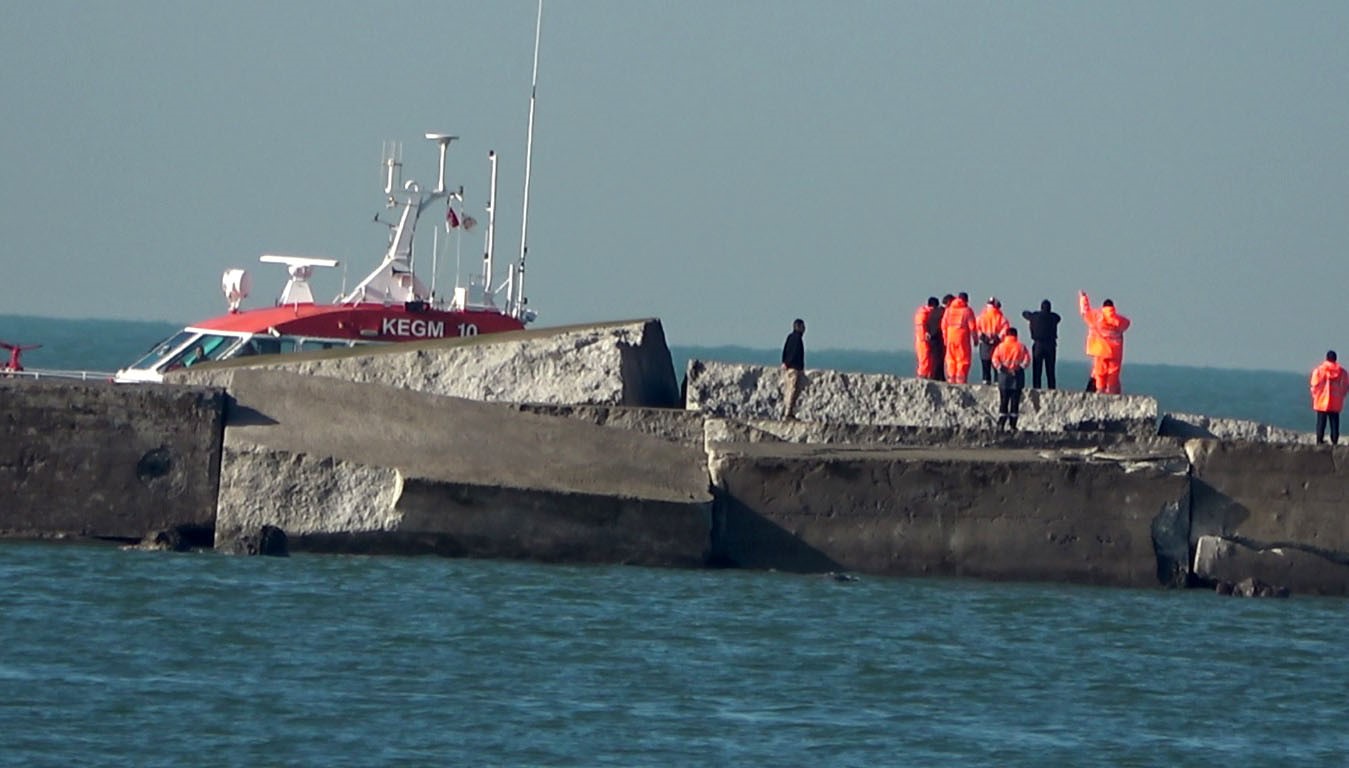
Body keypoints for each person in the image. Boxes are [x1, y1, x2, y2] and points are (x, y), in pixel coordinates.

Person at [1078, 291, 1131, 394]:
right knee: (1113, 374)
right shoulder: (1120, 320)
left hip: (1101, 350)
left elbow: (1085, 312)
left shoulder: (1096, 317)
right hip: (1115, 352)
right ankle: (1111, 392)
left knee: (1100, 373)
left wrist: (1083, 298)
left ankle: (1100, 391)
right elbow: (1127, 324)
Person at [991, 327, 1031, 431]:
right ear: (1016, 336)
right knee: (1015, 402)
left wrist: (1002, 368)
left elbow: (994, 359)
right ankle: (1013, 425)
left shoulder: (1000, 347)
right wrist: (1019, 368)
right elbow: (1027, 360)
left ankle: (1001, 423)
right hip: (1017, 377)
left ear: (1006, 335)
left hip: (1004, 377)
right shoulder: (1021, 347)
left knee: (1003, 400)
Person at [1310, 350, 1349, 445]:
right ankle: (1334, 441)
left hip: (1321, 401)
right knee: (1335, 423)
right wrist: (1341, 396)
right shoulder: (1342, 372)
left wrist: (1315, 395)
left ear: (1326, 358)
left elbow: (1314, 385)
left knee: (1321, 423)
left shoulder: (1319, 370)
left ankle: (1319, 441)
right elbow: (1345, 387)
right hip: (1335, 402)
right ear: (1335, 359)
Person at [1021, 299, 1061, 389]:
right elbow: (1059, 318)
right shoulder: (1053, 317)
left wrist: (1033, 315)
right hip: (1051, 345)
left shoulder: (1035, 316)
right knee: (1050, 369)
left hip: (1038, 344)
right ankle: (1051, 387)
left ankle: (1036, 387)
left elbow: (1025, 314)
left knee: (1037, 369)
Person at [942, 292, 977, 384]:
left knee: (950, 359)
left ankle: (951, 378)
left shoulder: (948, 310)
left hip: (950, 338)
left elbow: (943, 325)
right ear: (966, 300)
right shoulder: (967, 310)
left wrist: (945, 338)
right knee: (963, 359)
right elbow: (972, 327)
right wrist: (975, 339)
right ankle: (960, 379)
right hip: (962, 339)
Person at [976, 297, 1010, 385]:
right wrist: (998, 338)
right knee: (996, 363)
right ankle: (997, 381)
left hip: (984, 343)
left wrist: (983, 337)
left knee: (985, 363)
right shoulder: (1001, 317)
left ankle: (985, 381)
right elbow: (1005, 329)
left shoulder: (981, 316)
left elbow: (976, 328)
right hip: (997, 343)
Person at [781, 318, 806, 419]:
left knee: (788, 390)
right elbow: (795, 353)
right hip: (793, 368)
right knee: (792, 390)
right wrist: (792, 364)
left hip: (788, 367)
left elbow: (785, 351)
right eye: (803, 327)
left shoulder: (790, 337)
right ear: (799, 327)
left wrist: (784, 362)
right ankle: (788, 413)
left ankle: (787, 411)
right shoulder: (797, 339)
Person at [927, 295, 951, 382]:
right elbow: (941, 326)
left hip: (932, 338)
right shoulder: (944, 312)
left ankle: (940, 376)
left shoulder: (934, 312)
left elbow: (928, 323)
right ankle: (936, 377)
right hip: (938, 338)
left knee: (936, 358)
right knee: (939, 359)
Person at [913, 297, 939, 378]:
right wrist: (926, 335)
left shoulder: (920, 312)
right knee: (925, 359)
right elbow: (922, 327)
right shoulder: (926, 314)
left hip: (919, 339)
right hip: (923, 340)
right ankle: (922, 376)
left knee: (923, 360)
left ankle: (923, 375)